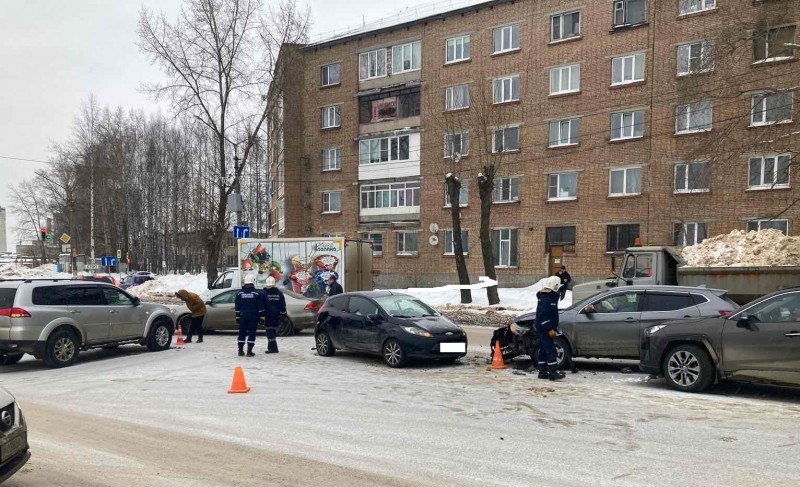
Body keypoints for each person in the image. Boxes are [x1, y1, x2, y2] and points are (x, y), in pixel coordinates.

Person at [535, 276, 565, 381]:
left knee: (543, 350)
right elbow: (543, 315)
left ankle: (542, 372)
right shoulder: (547, 299)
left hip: (545, 328)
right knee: (551, 350)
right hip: (545, 329)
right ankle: (552, 373)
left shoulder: (549, 297)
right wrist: (549, 328)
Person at [235, 274, 265, 357]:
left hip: (243, 316)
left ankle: (240, 351)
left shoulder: (239, 293)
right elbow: (261, 307)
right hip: (253, 316)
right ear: (253, 282)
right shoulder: (257, 293)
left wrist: (238, 317)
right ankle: (249, 351)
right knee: (251, 333)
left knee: (242, 333)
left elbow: (237, 307)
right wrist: (262, 317)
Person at [261, 277, 287, 354]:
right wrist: (283, 314)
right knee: (273, 331)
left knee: (269, 332)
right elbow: (283, 305)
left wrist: (261, 315)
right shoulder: (279, 293)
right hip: (277, 315)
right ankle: (270, 347)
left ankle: (274, 348)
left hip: (268, 315)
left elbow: (261, 305)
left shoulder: (263, 293)